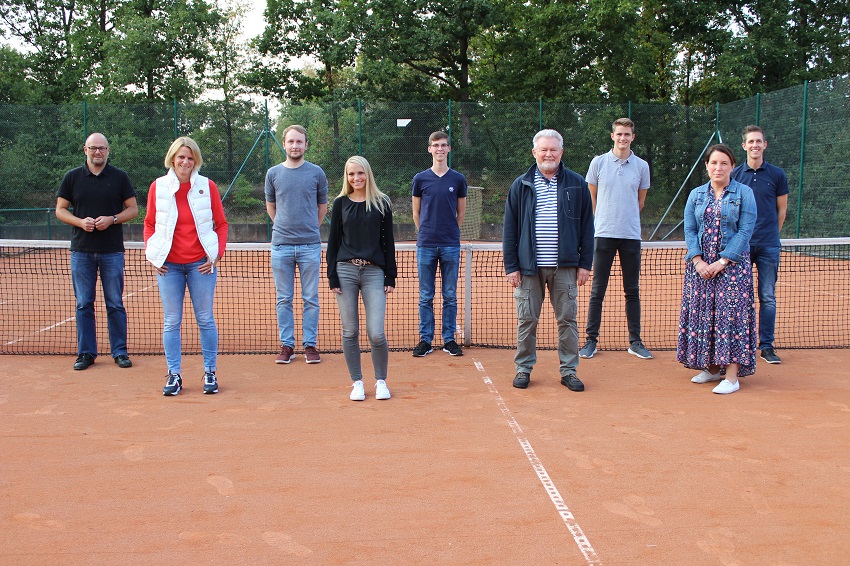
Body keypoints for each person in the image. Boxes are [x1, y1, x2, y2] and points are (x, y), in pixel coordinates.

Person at [503, 129, 594, 391]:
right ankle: (523, 368)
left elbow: (588, 228)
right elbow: (510, 229)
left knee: (567, 320)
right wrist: (512, 266)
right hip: (528, 267)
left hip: (565, 266)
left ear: (561, 152)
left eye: (553, 149)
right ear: (535, 152)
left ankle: (569, 371)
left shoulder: (577, 184)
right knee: (526, 320)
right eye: (543, 149)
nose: (548, 154)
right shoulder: (520, 185)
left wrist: (585, 264)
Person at [144, 137, 228, 396]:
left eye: (190, 158)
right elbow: (149, 224)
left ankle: (210, 372)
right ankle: (174, 375)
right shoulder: (157, 187)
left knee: (205, 319)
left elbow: (221, 224)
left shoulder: (208, 186)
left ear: (196, 161)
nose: (185, 162)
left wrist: (216, 255)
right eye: (181, 157)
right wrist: (153, 255)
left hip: (200, 266)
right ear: (172, 159)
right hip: (168, 266)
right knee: (171, 321)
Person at [678, 144, 757, 395]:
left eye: (724, 163)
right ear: (707, 166)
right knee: (705, 316)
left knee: (730, 319)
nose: (718, 167)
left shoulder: (744, 193)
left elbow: (745, 230)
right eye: (714, 163)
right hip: (699, 270)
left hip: (732, 270)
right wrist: (698, 261)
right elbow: (690, 229)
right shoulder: (696, 195)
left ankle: (732, 377)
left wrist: (722, 261)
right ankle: (712, 369)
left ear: (732, 166)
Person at [55, 132, 138, 371]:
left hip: (112, 251)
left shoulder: (120, 177)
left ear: (108, 151)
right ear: (85, 150)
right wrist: (80, 222)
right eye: (93, 148)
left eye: (102, 148)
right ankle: (86, 353)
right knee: (84, 304)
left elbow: (133, 210)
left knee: (115, 303)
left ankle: (120, 352)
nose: (98, 152)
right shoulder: (72, 177)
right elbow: (61, 210)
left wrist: (112, 219)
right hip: (81, 251)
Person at [580, 118, 652, 360]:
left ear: (633, 137)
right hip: (602, 235)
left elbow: (640, 202)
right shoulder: (598, 163)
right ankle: (591, 340)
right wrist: (603, 221)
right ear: (612, 136)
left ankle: (635, 341)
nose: (623, 138)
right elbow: (592, 199)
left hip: (631, 236)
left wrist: (625, 219)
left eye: (627, 134)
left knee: (632, 290)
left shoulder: (642, 166)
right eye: (619, 134)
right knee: (597, 290)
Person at [326, 156, 397, 402]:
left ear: (368, 173)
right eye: (351, 174)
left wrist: (391, 275)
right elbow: (333, 242)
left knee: (376, 333)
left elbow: (388, 242)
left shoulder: (381, 203)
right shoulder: (340, 204)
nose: (356, 178)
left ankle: (381, 381)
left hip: (374, 272)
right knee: (350, 331)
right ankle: (357, 382)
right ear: (346, 177)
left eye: (360, 173)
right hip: (344, 270)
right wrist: (332, 275)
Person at [265, 125, 329, 365]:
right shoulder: (273, 173)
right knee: (284, 299)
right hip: (280, 245)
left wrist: (310, 227)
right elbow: (271, 206)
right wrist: (283, 226)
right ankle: (287, 345)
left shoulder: (316, 173)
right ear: (284, 144)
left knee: (311, 298)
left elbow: (321, 207)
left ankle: (310, 345)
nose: (295, 146)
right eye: (291, 141)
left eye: (299, 142)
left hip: (310, 246)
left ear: (306, 145)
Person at [732, 125, 789, 365]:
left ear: (764, 145)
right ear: (744, 146)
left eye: (759, 141)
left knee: (767, 296)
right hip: (741, 247)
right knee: (740, 298)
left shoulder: (777, 175)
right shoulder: (734, 174)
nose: (755, 145)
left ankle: (766, 346)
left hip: (768, 246)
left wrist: (771, 237)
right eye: (750, 142)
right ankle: (741, 346)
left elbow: (782, 210)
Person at [411, 131, 467, 357]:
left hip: (450, 245)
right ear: (429, 149)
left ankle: (449, 339)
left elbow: (460, 212)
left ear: (449, 149)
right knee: (426, 296)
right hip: (426, 245)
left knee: (450, 295)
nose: (440, 149)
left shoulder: (458, 179)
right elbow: (416, 212)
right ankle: (425, 340)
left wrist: (450, 232)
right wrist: (425, 232)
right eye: (435, 145)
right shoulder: (420, 179)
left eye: (443, 145)